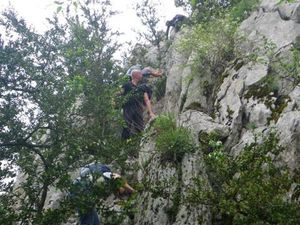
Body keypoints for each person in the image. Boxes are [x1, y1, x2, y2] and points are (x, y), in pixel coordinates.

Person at [70, 163, 135, 225]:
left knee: (94, 220)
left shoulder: (92, 169)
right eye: (123, 191)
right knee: (88, 220)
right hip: (82, 192)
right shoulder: (104, 171)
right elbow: (117, 178)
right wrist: (133, 191)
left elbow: (117, 191)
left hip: (76, 190)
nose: (120, 192)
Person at [121, 70, 156, 139]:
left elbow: (147, 100)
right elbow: (118, 92)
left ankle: (141, 143)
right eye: (140, 74)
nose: (141, 75)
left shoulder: (142, 87)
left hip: (138, 108)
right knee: (126, 126)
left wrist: (151, 113)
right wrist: (112, 100)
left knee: (140, 127)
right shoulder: (127, 85)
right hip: (128, 108)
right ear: (136, 75)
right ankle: (124, 145)